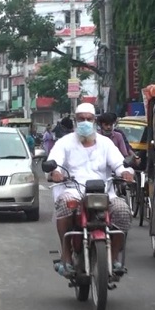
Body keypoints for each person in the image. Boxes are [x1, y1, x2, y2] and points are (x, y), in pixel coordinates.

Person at [47, 103, 135, 277]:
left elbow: (118, 163)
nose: (85, 122)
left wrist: (125, 172)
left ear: (94, 121)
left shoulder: (106, 143)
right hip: (74, 190)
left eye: (89, 119)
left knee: (123, 210)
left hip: (104, 193)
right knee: (65, 204)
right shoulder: (64, 143)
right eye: (81, 119)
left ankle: (114, 256)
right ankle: (66, 255)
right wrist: (55, 172)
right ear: (75, 121)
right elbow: (54, 162)